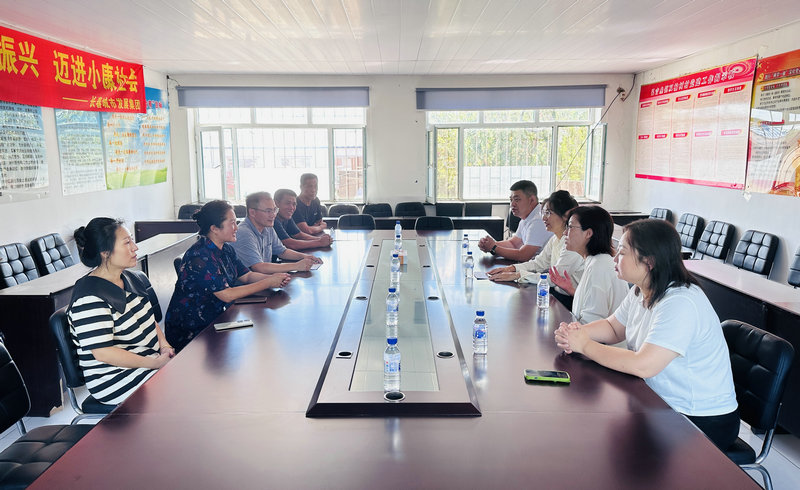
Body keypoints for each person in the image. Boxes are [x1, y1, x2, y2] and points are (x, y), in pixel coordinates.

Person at [554, 219, 738, 450]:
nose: (615, 259)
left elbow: (644, 365)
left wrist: (585, 345)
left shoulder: (680, 302)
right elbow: (613, 327)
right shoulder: (642, 290)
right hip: (659, 402)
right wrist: (576, 332)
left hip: (699, 417)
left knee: (602, 442)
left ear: (649, 261)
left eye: (622, 253)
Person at [67, 218, 174, 404]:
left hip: (148, 362)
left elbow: (149, 320)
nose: (135, 247)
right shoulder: (89, 297)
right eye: (127, 243)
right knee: (181, 390)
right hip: (114, 379)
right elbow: (103, 353)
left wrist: (165, 347)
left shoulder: (131, 278)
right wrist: (155, 363)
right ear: (105, 252)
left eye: (132, 240)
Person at [165, 200, 291, 351]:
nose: (236, 227)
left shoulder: (226, 249)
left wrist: (276, 278)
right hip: (191, 329)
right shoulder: (199, 256)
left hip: (214, 318)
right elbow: (226, 294)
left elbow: (247, 276)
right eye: (232, 223)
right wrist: (268, 282)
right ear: (214, 229)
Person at [487, 191, 583, 302]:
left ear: (566, 216)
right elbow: (538, 263)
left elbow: (555, 278)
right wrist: (511, 268)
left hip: (571, 300)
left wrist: (518, 275)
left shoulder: (572, 244)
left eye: (549, 213)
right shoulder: (555, 239)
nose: (544, 218)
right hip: (556, 293)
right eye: (544, 213)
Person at [550, 205, 629, 324]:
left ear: (588, 233)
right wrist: (572, 290)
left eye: (570, 227)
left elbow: (590, 324)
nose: (565, 232)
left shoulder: (599, 268)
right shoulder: (597, 261)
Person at [232, 191, 323, 273]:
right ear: (252, 212)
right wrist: (296, 266)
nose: (273, 215)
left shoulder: (268, 227)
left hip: (265, 279)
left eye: (274, 210)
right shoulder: (244, 233)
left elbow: (282, 252)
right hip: (247, 284)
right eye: (268, 211)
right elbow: (259, 267)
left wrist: (305, 257)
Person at [477, 180, 552, 261]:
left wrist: (494, 247)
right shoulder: (527, 217)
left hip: (542, 268)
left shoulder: (539, 220)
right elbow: (513, 244)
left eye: (517, 200)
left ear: (532, 200)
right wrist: (488, 244)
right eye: (511, 200)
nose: (512, 204)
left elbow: (524, 255)